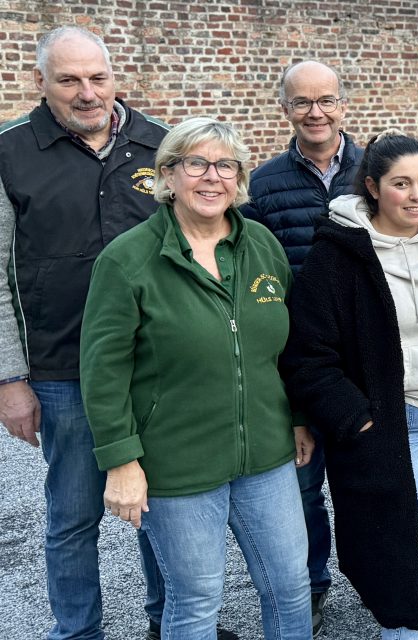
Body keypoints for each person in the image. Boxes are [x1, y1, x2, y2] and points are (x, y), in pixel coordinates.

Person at [80, 116, 312, 639]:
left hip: (267, 456)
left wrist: (297, 416)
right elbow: (103, 370)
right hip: (177, 464)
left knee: (290, 585)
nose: (212, 177)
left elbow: (291, 345)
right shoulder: (127, 260)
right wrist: (121, 460)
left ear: (240, 178)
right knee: (197, 599)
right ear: (167, 175)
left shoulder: (262, 246)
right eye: (196, 163)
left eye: (226, 165)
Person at [281, 130, 418, 639]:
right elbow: (307, 356)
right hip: (397, 427)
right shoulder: (339, 256)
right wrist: (357, 419)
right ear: (373, 188)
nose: (417, 195)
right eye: (401, 183)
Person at [0, 26, 181, 640]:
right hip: (62, 372)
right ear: (40, 84)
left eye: (97, 77)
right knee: (73, 518)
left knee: (163, 507)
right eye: (69, 80)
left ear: (114, 76)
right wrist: (9, 379)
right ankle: (78, 633)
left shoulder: (160, 145)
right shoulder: (10, 154)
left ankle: (169, 622)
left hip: (157, 368)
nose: (86, 93)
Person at [238, 59, 361, 635]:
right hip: (297, 364)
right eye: (302, 102)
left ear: (344, 103)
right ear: (283, 107)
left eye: (327, 100)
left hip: (366, 358)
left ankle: (378, 579)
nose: (316, 112)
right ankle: (310, 584)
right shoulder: (261, 185)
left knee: (369, 480)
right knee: (304, 486)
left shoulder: (376, 170)